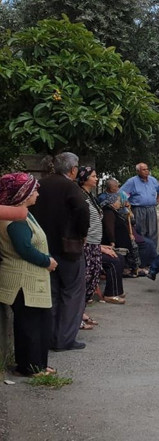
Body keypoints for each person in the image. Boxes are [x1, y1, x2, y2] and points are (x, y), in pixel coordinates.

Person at [30, 152, 90, 352]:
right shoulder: (70, 187)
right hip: (68, 248)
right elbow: (82, 210)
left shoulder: (41, 184)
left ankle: (50, 337)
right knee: (72, 293)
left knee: (52, 293)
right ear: (73, 170)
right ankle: (64, 339)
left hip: (44, 246)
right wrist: (82, 233)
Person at [0, 173, 59, 376]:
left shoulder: (22, 214)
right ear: (22, 194)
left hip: (31, 279)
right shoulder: (15, 220)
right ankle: (30, 368)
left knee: (40, 323)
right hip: (23, 281)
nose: (37, 193)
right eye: (34, 190)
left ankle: (38, 365)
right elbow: (24, 248)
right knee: (30, 326)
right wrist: (47, 261)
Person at [77, 166, 104, 325]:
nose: (96, 178)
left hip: (95, 242)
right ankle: (77, 315)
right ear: (84, 178)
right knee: (85, 278)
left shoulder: (90, 195)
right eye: (93, 176)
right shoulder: (79, 195)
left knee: (93, 278)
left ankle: (82, 311)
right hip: (87, 243)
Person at [100, 194, 143, 281]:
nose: (120, 203)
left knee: (134, 246)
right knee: (132, 247)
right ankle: (130, 269)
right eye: (118, 201)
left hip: (123, 238)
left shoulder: (114, 210)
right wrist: (112, 241)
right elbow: (109, 228)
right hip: (116, 240)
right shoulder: (108, 212)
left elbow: (131, 220)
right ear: (113, 202)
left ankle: (134, 268)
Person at [121, 162, 159, 246]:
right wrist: (126, 203)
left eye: (147, 169)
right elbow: (122, 194)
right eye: (144, 170)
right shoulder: (132, 181)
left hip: (151, 209)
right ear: (138, 171)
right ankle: (141, 252)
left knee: (152, 231)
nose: (146, 171)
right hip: (138, 210)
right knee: (140, 231)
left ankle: (152, 252)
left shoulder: (153, 180)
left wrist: (157, 201)